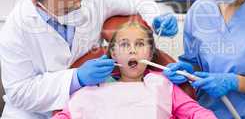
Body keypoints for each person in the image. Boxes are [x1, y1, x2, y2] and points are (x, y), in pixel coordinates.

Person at [0, 0, 178, 119]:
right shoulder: (15, 30)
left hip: (85, 107)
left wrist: (156, 19)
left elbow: (141, 4)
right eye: (67, 9)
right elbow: (19, 92)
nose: (79, 7)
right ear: (38, 3)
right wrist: (76, 78)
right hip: (34, 114)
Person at [52, 22, 217, 119]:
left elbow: (196, 113)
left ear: (150, 53)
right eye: (124, 44)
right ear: (113, 54)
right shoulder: (91, 87)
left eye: (139, 44)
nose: (133, 51)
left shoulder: (162, 84)